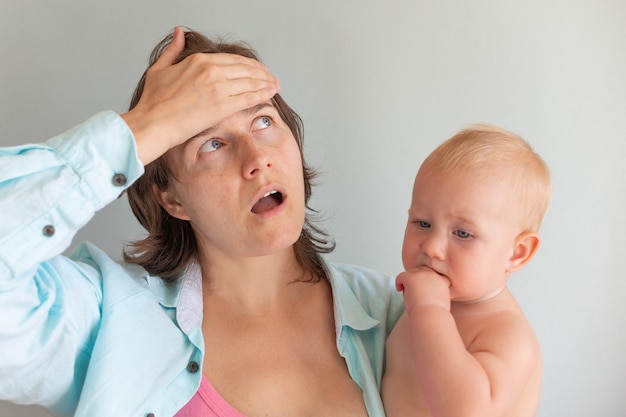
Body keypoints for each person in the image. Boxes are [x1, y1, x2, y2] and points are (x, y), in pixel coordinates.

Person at [0, 27, 404, 417]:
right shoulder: (110, 321)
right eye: (212, 144)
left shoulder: (399, 314)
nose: (256, 159)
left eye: (263, 121)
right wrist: (145, 125)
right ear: (172, 197)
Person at [381, 125, 551, 417]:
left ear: (517, 252)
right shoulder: (410, 306)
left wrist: (430, 309)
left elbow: (463, 410)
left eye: (462, 234)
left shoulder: (507, 335)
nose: (432, 247)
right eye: (422, 223)